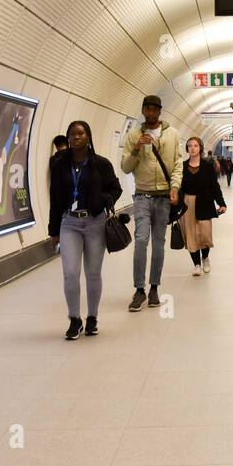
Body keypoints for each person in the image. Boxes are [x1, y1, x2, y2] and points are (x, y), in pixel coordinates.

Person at [48, 120, 122, 340]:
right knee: (70, 273)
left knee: (92, 273)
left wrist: (103, 200)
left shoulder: (101, 164)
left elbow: (115, 188)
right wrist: (54, 231)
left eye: (80, 133)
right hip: (69, 223)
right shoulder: (60, 164)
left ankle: (92, 317)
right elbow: (54, 197)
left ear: (88, 137)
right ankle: (74, 319)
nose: (76, 137)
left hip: (94, 222)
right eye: (72, 134)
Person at [120, 94, 181, 312]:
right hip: (142, 196)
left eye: (155, 109)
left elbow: (177, 164)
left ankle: (154, 287)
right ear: (143, 110)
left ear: (160, 111)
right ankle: (139, 289)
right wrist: (136, 148)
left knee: (158, 243)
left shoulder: (172, 134)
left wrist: (174, 187)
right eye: (148, 109)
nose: (152, 113)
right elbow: (125, 167)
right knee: (141, 239)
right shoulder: (133, 135)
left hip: (164, 196)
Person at [179, 136, 227, 275]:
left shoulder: (207, 167)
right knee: (191, 235)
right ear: (187, 149)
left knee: (205, 234)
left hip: (205, 202)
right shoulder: (182, 166)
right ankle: (196, 265)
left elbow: (214, 186)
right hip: (188, 203)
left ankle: (205, 258)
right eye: (190, 146)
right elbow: (178, 186)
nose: (192, 148)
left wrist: (221, 203)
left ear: (200, 148)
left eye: (195, 145)